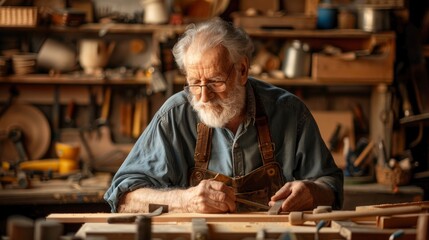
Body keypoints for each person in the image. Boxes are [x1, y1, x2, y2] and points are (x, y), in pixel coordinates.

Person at [104, 17, 343, 213]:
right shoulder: (175, 116)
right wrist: (184, 200)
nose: (204, 97)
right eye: (194, 83)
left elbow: (331, 186)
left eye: (215, 81)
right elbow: (123, 198)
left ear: (242, 70)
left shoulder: (289, 112)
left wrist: (312, 192)